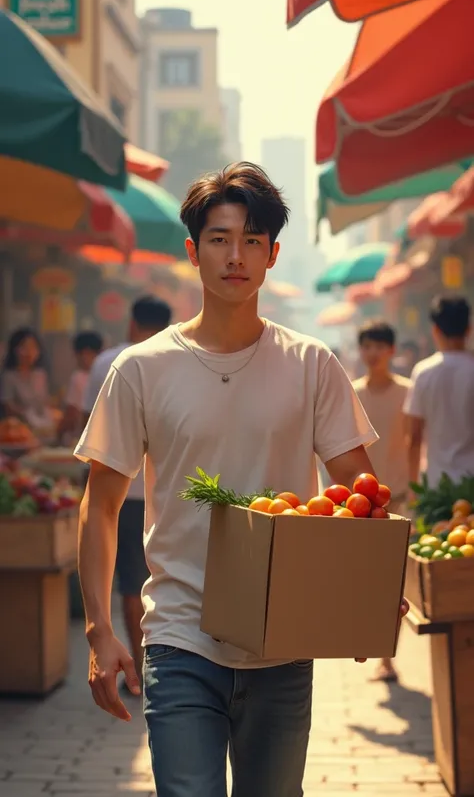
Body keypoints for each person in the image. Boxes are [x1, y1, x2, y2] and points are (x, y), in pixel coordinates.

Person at [75, 162, 409, 797]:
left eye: (252, 240)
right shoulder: (140, 371)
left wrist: (364, 598)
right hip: (178, 637)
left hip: (283, 643)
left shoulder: (313, 366)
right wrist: (99, 630)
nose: (236, 255)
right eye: (221, 238)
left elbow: (360, 498)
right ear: (193, 251)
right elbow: (100, 504)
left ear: (273, 254)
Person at [82, 295, 172, 687]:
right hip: (164, 494)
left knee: (130, 581)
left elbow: (91, 426)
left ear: (132, 324)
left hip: (120, 492)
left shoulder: (108, 362)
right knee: (160, 577)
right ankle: (153, 663)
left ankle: (137, 666)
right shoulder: (177, 360)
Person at [353, 319, 412, 684]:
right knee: (362, 579)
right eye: (367, 346)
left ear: (391, 350)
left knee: (396, 582)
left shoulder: (408, 392)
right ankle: (362, 642)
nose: (372, 353)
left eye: (379, 346)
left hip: (400, 499)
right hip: (360, 506)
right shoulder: (352, 392)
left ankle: (387, 658)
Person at [405, 295, 474, 490]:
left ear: (435, 330)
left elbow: (414, 437)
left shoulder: (423, 373)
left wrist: (413, 487)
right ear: (469, 328)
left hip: (437, 485)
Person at [0, 328, 53, 432]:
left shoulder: (40, 375)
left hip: (42, 427)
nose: (29, 352)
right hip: (16, 429)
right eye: (24, 347)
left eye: (33, 347)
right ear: (15, 349)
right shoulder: (8, 376)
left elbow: (45, 403)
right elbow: (8, 407)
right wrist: (27, 416)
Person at [57, 331, 103, 444]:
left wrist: (58, 434)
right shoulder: (104, 374)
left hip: (82, 438)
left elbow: (71, 414)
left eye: (88, 353)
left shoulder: (78, 377)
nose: (84, 358)